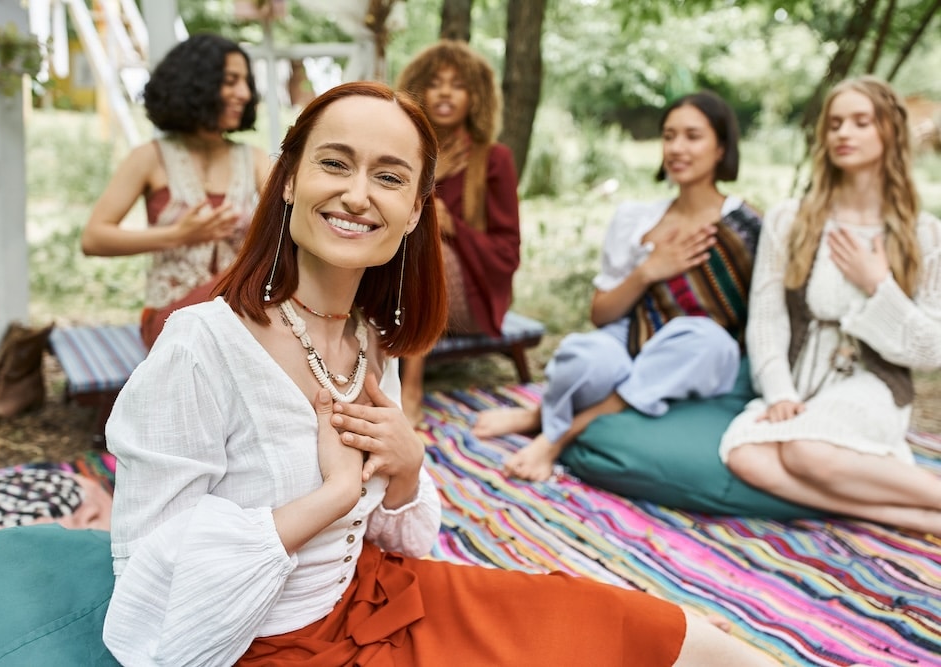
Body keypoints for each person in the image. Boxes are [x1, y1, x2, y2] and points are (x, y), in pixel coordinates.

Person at [100, 80, 779, 667]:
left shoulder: (372, 338)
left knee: (650, 629)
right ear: (289, 181)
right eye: (335, 164)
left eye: (390, 177)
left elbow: (394, 534)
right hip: (259, 644)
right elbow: (150, 584)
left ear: (416, 208)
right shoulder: (203, 343)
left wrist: (404, 466)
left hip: (378, 597)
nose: (358, 195)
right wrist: (332, 495)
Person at [474, 90, 763, 482]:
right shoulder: (636, 219)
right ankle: (537, 414)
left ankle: (556, 431)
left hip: (702, 353)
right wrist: (648, 271)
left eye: (692, 136)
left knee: (702, 339)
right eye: (668, 135)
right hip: (634, 334)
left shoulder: (749, 227)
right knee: (585, 355)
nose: (677, 148)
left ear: (721, 147)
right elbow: (601, 314)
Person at [719, 76, 941, 534]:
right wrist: (779, 391)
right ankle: (914, 516)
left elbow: (931, 349)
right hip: (801, 381)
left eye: (861, 122)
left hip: (873, 384)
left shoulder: (923, 232)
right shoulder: (791, 218)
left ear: (890, 133)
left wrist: (878, 284)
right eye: (836, 123)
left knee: (804, 451)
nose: (843, 133)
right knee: (744, 454)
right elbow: (766, 317)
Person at [81, 33, 271, 349]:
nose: (244, 93)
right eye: (231, 81)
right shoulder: (149, 158)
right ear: (195, 84)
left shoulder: (253, 159)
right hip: (175, 316)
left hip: (241, 307)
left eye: (246, 82)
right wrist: (178, 235)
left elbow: (291, 225)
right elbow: (93, 239)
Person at [394, 39, 522, 425]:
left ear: (476, 96)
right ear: (419, 91)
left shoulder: (494, 159)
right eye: (436, 83)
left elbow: (507, 254)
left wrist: (454, 229)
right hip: (398, 279)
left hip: (473, 294)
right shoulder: (407, 151)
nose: (446, 92)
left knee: (428, 247)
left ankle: (410, 385)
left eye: (459, 84)